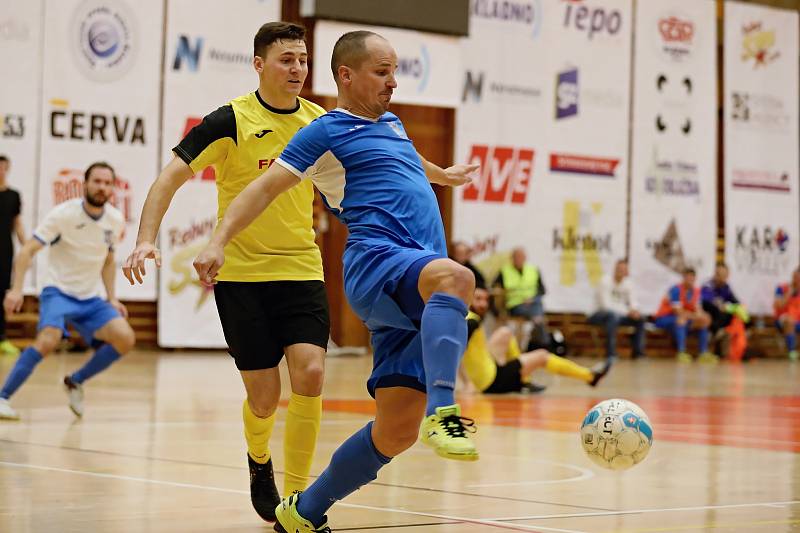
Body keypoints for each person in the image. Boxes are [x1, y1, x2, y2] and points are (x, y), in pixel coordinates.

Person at [193, 30, 479, 533]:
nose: (394, 82)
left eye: (395, 71)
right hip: (380, 263)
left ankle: (301, 512)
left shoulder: (392, 123)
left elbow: (408, 161)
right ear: (346, 75)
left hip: (412, 289)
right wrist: (218, 241)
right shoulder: (325, 132)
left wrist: (445, 176)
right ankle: (445, 408)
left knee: (395, 432)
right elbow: (263, 190)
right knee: (455, 278)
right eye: (382, 72)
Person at [121, 23, 328, 522]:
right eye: (286, 59)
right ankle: (260, 461)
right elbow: (169, 178)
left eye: (302, 59)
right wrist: (146, 238)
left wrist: (436, 174)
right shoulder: (230, 120)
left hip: (301, 268)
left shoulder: (319, 120)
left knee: (312, 373)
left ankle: (299, 503)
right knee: (264, 396)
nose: (297, 68)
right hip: (241, 277)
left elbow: (379, 158)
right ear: (259, 65)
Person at [0, 162, 134, 420]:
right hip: (58, 292)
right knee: (48, 339)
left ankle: (75, 380)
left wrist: (112, 297)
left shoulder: (115, 220)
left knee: (125, 337)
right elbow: (27, 250)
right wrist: (16, 290)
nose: (102, 187)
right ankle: (3, 397)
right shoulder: (63, 214)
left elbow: (107, 261)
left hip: (90, 298)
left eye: (108, 183)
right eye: (97, 181)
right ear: (85, 184)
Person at [461, 287, 611, 394]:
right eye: (478, 299)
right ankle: (589, 376)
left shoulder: (467, 317)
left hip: (487, 370)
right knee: (542, 355)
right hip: (491, 382)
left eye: (486, 299)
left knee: (505, 332)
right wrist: (468, 383)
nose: (483, 304)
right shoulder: (471, 322)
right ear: (468, 298)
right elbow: (454, 354)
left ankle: (524, 381)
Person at [653, 267, 716, 363]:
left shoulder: (696, 291)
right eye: (688, 277)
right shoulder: (676, 289)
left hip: (684, 317)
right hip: (664, 318)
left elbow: (698, 310)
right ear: (683, 277)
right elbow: (678, 311)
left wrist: (704, 317)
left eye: (692, 277)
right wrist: (696, 317)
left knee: (702, 322)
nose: (690, 280)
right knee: (681, 319)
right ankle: (681, 352)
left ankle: (703, 353)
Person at [587, 259, 646, 360]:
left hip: (620, 315)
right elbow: (606, 306)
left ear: (627, 271)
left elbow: (633, 301)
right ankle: (611, 353)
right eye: (619, 269)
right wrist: (628, 312)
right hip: (597, 314)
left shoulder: (628, 284)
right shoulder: (605, 281)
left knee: (640, 318)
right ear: (615, 269)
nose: (621, 272)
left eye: (624, 270)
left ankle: (638, 353)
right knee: (612, 317)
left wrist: (634, 311)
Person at [493, 247, 547, 349]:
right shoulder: (504, 271)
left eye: (521, 257)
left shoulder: (533, 270)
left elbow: (542, 290)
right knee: (538, 315)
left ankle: (541, 342)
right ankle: (545, 345)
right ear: (512, 258)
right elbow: (495, 286)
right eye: (517, 257)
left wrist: (532, 298)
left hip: (533, 302)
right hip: (515, 304)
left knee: (537, 304)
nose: (519, 259)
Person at [0, 155, 25, 357]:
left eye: (3, 168)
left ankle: (1, 339)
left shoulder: (13, 196)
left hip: (5, 250)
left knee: (3, 293)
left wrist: (27, 247)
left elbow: (17, 223)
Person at [701, 263, 749, 361]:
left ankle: (736, 348)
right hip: (709, 316)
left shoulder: (726, 287)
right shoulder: (707, 285)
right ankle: (717, 332)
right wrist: (723, 306)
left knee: (738, 314)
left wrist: (740, 307)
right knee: (717, 309)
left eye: (724, 275)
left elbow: (735, 301)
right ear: (715, 273)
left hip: (721, 318)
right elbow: (707, 303)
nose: (721, 277)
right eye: (719, 274)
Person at [774, 267, 800, 361]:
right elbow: (778, 305)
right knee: (789, 321)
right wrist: (789, 292)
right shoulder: (782, 288)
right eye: (795, 277)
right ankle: (792, 351)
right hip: (783, 319)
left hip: (798, 320)